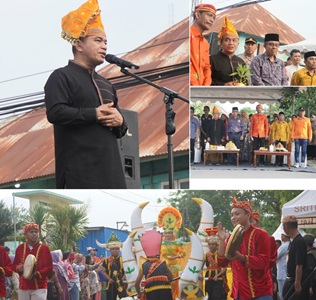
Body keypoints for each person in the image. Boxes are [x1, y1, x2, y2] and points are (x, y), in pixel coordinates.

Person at [44, 0, 128, 189]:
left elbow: (120, 130)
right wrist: (94, 114)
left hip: (112, 173)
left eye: (106, 42)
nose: (104, 46)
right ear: (79, 44)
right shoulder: (61, 77)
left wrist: (120, 122)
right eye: (98, 40)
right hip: (79, 175)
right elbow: (55, 112)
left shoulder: (106, 84)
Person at [217, 197, 273, 300]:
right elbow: (222, 262)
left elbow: (264, 261)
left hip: (260, 292)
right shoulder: (231, 237)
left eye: (237, 214)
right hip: (239, 292)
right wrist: (221, 240)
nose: (233, 217)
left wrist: (242, 257)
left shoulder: (260, 234)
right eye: (232, 215)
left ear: (248, 215)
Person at [12, 223, 53, 300]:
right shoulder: (20, 248)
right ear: (26, 235)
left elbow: (49, 268)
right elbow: (14, 265)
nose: (34, 234)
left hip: (39, 287)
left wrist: (37, 274)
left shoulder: (45, 249)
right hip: (23, 286)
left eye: (36, 232)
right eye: (31, 232)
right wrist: (18, 268)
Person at [135, 229, 173, 300]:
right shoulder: (164, 262)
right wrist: (166, 281)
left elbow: (136, 284)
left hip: (151, 292)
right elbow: (171, 277)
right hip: (166, 290)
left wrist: (139, 294)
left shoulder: (143, 266)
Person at [158, 206, 186, 300]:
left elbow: (183, 253)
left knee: (174, 284)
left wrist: (176, 256)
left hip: (174, 266)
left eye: (169, 233)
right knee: (165, 284)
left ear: (172, 234)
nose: (167, 235)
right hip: (163, 267)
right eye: (166, 233)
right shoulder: (160, 244)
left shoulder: (177, 243)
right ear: (164, 234)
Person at [210, 17, 245, 86]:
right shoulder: (212, 60)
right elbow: (206, 82)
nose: (231, 43)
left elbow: (245, 81)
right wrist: (224, 85)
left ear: (238, 44)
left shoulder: (240, 61)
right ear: (221, 43)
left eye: (234, 40)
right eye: (227, 40)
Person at [282, 215, 308, 300]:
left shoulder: (299, 241)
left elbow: (299, 265)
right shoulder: (293, 241)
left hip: (294, 281)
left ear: (286, 227)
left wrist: (297, 283)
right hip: (290, 279)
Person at [190, 4, 217, 86]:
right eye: (209, 15)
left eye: (213, 18)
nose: (212, 20)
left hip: (200, 91)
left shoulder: (205, 43)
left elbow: (207, 67)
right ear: (197, 15)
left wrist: (205, 87)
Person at [203, 229, 228, 300]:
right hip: (209, 279)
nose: (211, 246)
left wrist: (217, 275)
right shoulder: (206, 255)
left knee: (218, 296)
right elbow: (201, 267)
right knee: (209, 296)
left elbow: (225, 268)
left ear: (217, 245)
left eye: (213, 244)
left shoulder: (220, 255)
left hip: (219, 279)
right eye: (210, 244)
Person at [101, 233, 127, 300]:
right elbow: (103, 271)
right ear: (110, 250)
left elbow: (126, 271)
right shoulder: (106, 260)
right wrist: (109, 279)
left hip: (120, 283)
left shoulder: (123, 259)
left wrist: (123, 278)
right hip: (110, 284)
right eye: (113, 249)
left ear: (119, 250)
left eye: (116, 249)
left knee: (124, 298)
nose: (115, 250)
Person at [276, 232, 291, 300]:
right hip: (286, 272)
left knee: (282, 294)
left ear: (285, 236)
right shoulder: (290, 244)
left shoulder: (284, 246)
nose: (281, 237)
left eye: (282, 235)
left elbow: (275, 256)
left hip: (281, 273)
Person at [303, 234, 316, 300]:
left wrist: (310, 285)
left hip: (313, 285)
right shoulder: (314, 252)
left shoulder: (310, 255)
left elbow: (311, 271)